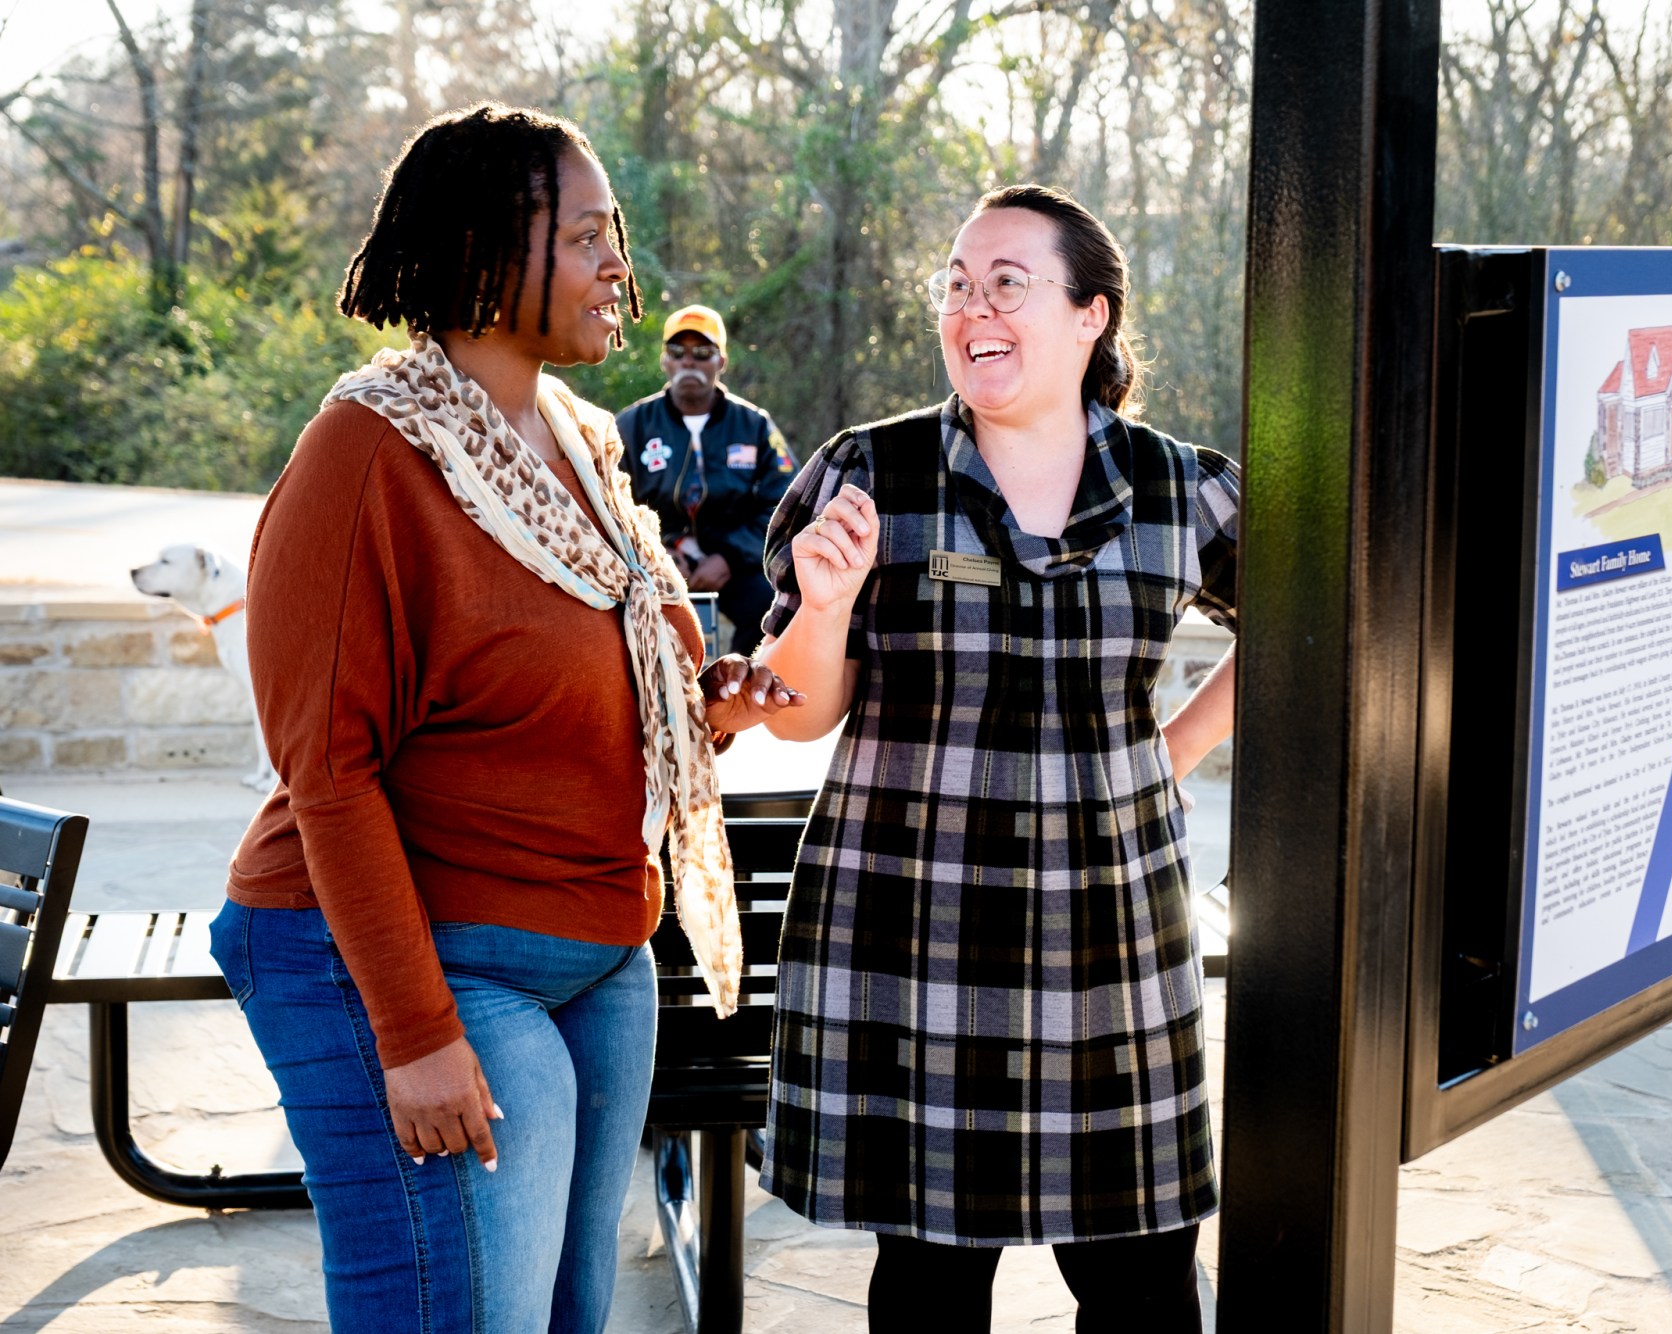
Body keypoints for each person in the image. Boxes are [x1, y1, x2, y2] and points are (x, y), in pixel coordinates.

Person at [212, 103, 799, 1330]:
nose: (616, 269)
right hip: (417, 963)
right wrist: (415, 1031)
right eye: (585, 237)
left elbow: (584, 687)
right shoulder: (365, 456)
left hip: (597, 956)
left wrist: (706, 705)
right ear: (484, 252)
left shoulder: (579, 446)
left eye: (615, 236)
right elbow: (327, 768)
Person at [755, 183, 1239, 1333]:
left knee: (1145, 1287)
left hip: (1112, 942)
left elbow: (1315, 627)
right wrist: (822, 608)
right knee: (927, 1289)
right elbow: (790, 712)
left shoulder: (1182, 488)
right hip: (916, 931)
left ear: (1090, 315)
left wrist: (1167, 751)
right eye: (957, 285)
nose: (973, 306)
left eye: (1008, 283)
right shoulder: (867, 474)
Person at [614, 304, 795, 654]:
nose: (689, 362)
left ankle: (741, 692)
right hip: (653, 563)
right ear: (665, 360)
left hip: (735, 563)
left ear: (721, 362)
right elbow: (610, 500)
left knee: (773, 604)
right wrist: (655, 552)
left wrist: (728, 556)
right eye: (677, 352)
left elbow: (785, 501)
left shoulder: (754, 425)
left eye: (702, 352)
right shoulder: (632, 425)